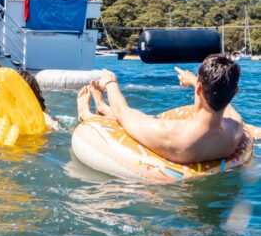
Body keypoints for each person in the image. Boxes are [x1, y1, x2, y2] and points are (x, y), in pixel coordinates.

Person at [77, 56, 261, 164]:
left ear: (198, 89)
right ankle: (103, 108)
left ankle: (89, 113)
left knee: (134, 118)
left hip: (167, 202)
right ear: (235, 92)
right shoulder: (235, 129)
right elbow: (228, 107)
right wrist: (193, 82)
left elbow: (123, 111)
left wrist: (111, 83)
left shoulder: (169, 132)